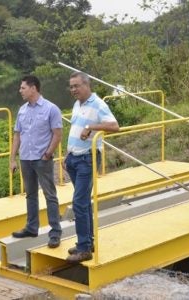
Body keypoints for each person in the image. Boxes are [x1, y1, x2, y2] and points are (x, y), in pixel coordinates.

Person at [64, 71, 119, 263]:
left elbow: (114, 125)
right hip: (74, 158)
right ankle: (88, 242)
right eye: (71, 87)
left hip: (87, 158)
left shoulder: (98, 104)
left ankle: (84, 248)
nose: (73, 90)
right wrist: (67, 154)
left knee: (79, 202)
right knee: (84, 202)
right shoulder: (77, 104)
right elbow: (74, 128)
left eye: (76, 86)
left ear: (87, 85)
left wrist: (92, 128)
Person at [10, 75, 63, 248]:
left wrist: (47, 154)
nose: (20, 91)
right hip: (26, 159)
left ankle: (55, 232)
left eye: (23, 88)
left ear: (33, 88)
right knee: (31, 194)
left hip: (42, 159)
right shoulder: (22, 110)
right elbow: (17, 135)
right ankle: (32, 227)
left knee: (50, 195)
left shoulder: (51, 109)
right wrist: (13, 159)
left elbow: (57, 134)